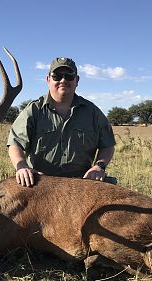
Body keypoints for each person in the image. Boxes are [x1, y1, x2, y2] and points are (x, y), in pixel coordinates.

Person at [7, 57, 116, 187]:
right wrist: (22, 166)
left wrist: (99, 166)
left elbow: (107, 145)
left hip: (81, 184)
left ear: (77, 80)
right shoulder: (33, 110)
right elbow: (15, 144)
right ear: (48, 79)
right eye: (57, 76)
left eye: (69, 76)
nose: (63, 80)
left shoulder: (92, 112)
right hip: (40, 183)